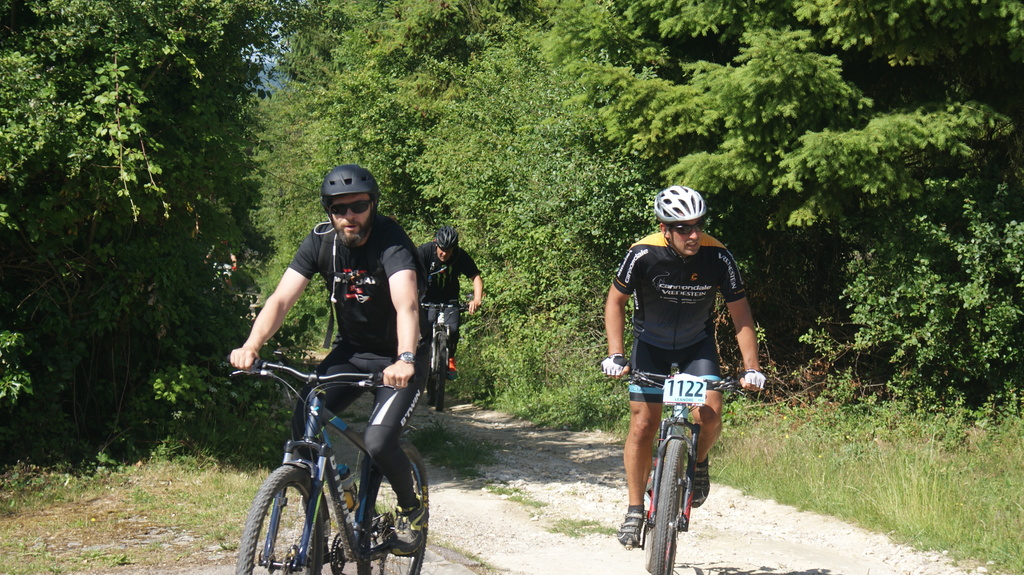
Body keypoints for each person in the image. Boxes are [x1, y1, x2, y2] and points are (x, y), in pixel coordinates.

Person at [229, 164, 429, 556]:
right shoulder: (321, 241)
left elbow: (406, 304)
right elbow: (281, 299)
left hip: (400, 357)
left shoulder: (391, 241)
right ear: (329, 211)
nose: (349, 215)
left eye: (359, 206)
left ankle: (412, 512)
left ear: (372, 204)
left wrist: (405, 358)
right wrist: (252, 344)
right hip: (352, 352)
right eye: (339, 208)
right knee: (304, 417)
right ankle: (324, 505)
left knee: (378, 441)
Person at [601, 185, 766, 550]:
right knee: (642, 426)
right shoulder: (642, 253)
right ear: (664, 229)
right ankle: (634, 510)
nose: (693, 235)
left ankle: (699, 462)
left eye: (698, 226)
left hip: (696, 346)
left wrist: (751, 367)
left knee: (709, 415)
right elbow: (615, 302)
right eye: (683, 228)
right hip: (651, 347)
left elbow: (740, 313)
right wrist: (615, 354)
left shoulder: (718, 256)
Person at [417, 225, 483, 383]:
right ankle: (423, 359)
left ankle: (450, 359)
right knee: (425, 326)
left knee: (452, 329)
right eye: (442, 249)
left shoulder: (460, 256)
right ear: (436, 244)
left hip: (449, 299)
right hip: (427, 297)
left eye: (449, 250)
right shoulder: (425, 251)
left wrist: (476, 299)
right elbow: (409, 272)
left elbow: (475, 277)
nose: (444, 254)